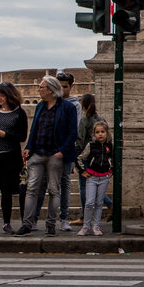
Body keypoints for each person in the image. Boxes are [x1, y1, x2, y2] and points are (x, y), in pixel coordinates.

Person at [16, 77, 77, 236]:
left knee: (53, 190)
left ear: (50, 90)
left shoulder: (67, 108)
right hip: (37, 153)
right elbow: (34, 129)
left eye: (41, 87)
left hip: (55, 154)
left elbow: (73, 133)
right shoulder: (40, 106)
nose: (39, 90)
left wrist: (61, 152)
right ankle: (27, 224)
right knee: (32, 189)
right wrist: (29, 147)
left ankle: (51, 224)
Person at [0, 81, 26, 234]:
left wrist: (5, 135)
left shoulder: (19, 113)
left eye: (2, 95)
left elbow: (22, 136)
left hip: (9, 158)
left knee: (6, 191)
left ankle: (6, 223)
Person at [76, 121, 113, 236]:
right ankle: (86, 226)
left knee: (99, 202)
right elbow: (80, 158)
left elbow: (113, 159)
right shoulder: (91, 145)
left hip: (104, 177)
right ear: (94, 134)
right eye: (97, 132)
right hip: (92, 177)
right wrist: (82, 171)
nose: (100, 134)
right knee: (89, 202)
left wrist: (111, 170)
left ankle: (96, 226)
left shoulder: (109, 146)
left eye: (102, 132)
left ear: (107, 133)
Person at [55, 72, 81, 231]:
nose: (62, 90)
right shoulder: (51, 102)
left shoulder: (74, 105)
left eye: (65, 87)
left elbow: (74, 130)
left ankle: (63, 218)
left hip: (66, 150)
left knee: (64, 184)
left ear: (71, 87)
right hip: (50, 149)